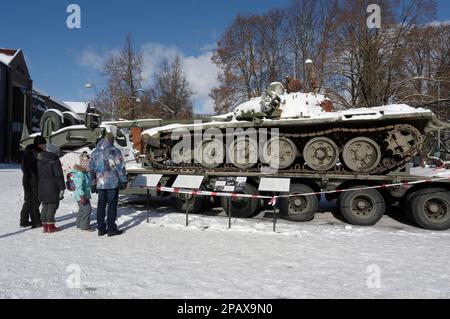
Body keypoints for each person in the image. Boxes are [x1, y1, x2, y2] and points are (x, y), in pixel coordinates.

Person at [90, 133, 127, 237]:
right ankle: (111, 228)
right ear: (112, 141)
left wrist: (92, 183)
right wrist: (123, 180)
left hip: (101, 183)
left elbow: (91, 169)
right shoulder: (115, 151)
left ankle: (101, 228)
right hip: (112, 183)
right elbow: (120, 167)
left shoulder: (95, 152)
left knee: (101, 205)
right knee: (112, 206)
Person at [37, 144, 66, 233]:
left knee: (45, 205)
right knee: (52, 206)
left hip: (42, 185)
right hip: (53, 186)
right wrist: (62, 188)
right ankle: (51, 226)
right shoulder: (54, 160)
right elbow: (58, 175)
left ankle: (45, 226)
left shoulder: (40, 159)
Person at [20, 136, 46, 228]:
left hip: (27, 179)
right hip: (32, 180)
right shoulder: (34, 151)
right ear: (39, 144)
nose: (45, 146)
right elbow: (38, 156)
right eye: (43, 144)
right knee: (35, 201)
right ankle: (36, 221)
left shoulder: (28, 152)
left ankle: (24, 221)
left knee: (28, 200)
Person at [70, 152, 93, 231]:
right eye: (87, 165)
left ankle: (79, 224)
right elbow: (79, 186)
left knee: (82, 210)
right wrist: (82, 196)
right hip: (82, 196)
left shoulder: (80, 173)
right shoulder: (80, 174)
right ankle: (85, 226)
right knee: (87, 210)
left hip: (80, 195)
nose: (89, 167)